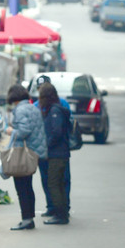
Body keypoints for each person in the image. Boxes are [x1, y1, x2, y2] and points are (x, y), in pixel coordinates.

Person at [5, 84, 47, 231]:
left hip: (23, 153)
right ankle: (29, 218)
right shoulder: (32, 107)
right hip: (33, 151)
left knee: (22, 187)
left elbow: (24, 130)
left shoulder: (20, 110)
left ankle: (26, 219)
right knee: (28, 186)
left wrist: (10, 131)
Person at [33, 75, 71, 217]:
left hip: (55, 150)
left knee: (60, 181)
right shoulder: (36, 106)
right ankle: (52, 207)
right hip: (45, 151)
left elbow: (60, 129)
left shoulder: (59, 105)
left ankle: (62, 210)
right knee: (48, 181)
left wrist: (47, 144)